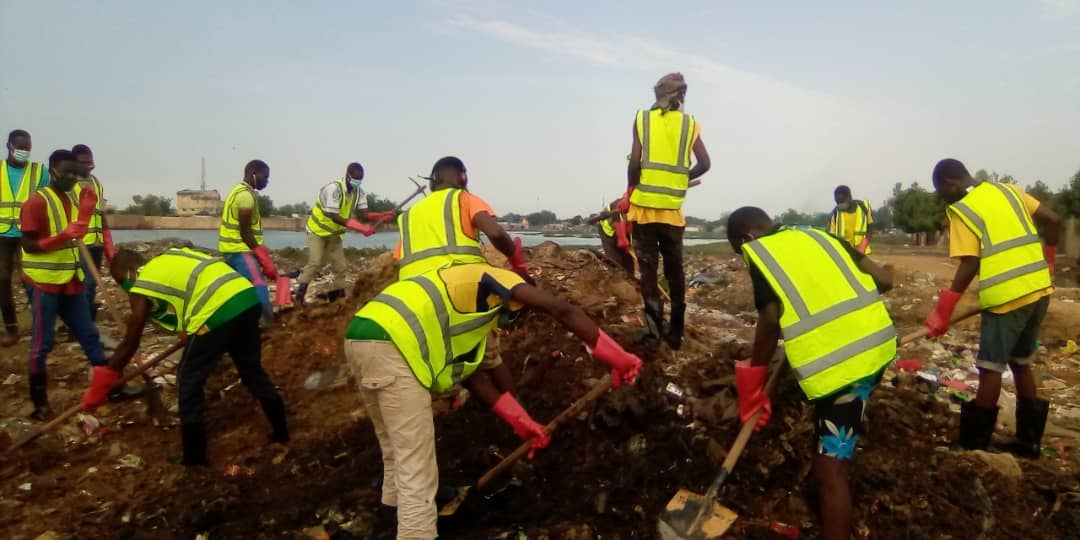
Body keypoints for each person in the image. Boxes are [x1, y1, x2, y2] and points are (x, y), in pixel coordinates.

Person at [346, 261, 643, 538]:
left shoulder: (467, 315)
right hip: (392, 341)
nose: (510, 323)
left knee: (394, 447)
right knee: (418, 468)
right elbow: (561, 309)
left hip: (362, 333)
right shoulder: (498, 278)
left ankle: (389, 516)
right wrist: (617, 357)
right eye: (518, 313)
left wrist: (521, 422)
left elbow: (474, 378)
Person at [726, 206, 896, 540]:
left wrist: (755, 380)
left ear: (746, 238)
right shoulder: (820, 235)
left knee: (830, 470)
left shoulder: (759, 252)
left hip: (846, 368)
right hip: (876, 347)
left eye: (739, 250)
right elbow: (884, 281)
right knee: (828, 443)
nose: (742, 257)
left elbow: (771, 319)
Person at [84, 247, 289, 465]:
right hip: (246, 298)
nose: (123, 287)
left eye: (119, 280)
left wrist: (105, 379)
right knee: (251, 370)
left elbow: (131, 341)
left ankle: (194, 458)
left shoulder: (141, 282)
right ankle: (281, 431)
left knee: (189, 378)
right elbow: (189, 292)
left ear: (128, 271)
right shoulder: (169, 259)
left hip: (218, 311)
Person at [925, 158, 1059, 457]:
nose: (943, 198)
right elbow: (1054, 220)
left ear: (950, 184)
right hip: (1039, 290)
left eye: (941, 191)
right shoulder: (1008, 190)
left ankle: (973, 445)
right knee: (1021, 362)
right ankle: (1029, 443)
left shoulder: (961, 210)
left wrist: (943, 310)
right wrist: (1049, 260)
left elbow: (970, 263)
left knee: (990, 369)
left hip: (1006, 299)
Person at [621, 72, 711, 350]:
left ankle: (652, 332)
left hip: (645, 211)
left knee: (648, 272)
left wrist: (631, 189)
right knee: (676, 272)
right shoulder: (690, 124)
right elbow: (705, 163)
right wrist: (681, 180)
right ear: (681, 96)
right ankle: (676, 333)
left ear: (657, 95)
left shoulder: (642, 119)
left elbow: (635, 163)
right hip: (672, 213)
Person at [19, 149, 108, 420]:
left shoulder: (71, 197)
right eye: (65, 172)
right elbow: (30, 245)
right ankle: (40, 403)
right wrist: (63, 236)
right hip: (43, 282)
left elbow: (78, 229)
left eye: (74, 173)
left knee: (89, 334)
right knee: (42, 343)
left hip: (70, 281)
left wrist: (84, 214)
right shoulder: (35, 203)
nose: (70, 177)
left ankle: (111, 386)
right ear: (52, 170)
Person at [393, 156, 528, 281]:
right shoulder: (463, 198)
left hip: (413, 286)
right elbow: (496, 233)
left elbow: (397, 259)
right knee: (521, 292)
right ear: (463, 177)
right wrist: (518, 265)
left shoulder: (409, 213)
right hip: (457, 282)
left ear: (430, 184)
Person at [294, 162, 395, 305]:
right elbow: (334, 216)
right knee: (315, 262)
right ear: (347, 176)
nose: (357, 182)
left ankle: (336, 297)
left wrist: (382, 215)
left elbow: (365, 214)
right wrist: (362, 229)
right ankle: (299, 295)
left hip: (335, 234)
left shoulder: (359, 192)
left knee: (340, 267)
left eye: (360, 180)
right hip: (317, 231)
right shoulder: (333, 190)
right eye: (355, 179)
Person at [1, 129, 50, 346]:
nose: (24, 151)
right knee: (1, 283)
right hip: (1, 235)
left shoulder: (40, 172)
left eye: (27, 147)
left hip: (28, 234)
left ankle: (42, 330)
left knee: (32, 281)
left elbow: (48, 201)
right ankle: (12, 330)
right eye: (20, 147)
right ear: (9, 146)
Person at [218, 160, 277, 323]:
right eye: (265, 177)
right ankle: (265, 325)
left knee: (239, 289)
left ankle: (237, 324)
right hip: (239, 250)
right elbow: (245, 233)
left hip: (231, 249)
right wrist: (263, 258)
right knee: (258, 285)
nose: (266, 181)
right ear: (253, 174)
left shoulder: (237, 191)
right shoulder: (245, 197)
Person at [71, 144, 116, 321]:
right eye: (84, 162)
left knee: (91, 284)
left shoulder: (96, 183)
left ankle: (84, 321)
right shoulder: (69, 185)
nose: (89, 165)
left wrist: (108, 243)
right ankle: (81, 323)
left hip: (95, 242)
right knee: (85, 283)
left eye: (91, 161)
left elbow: (100, 214)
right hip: (78, 244)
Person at [828, 185, 874, 254]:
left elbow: (870, 228)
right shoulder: (834, 214)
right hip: (844, 253)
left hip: (862, 252)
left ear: (849, 197)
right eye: (837, 203)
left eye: (841, 202)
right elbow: (832, 237)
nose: (839, 205)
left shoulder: (863, 208)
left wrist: (862, 246)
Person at [595, 198, 635, 275]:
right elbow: (617, 216)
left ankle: (630, 282)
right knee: (615, 261)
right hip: (608, 230)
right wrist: (622, 239)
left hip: (625, 230)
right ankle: (616, 279)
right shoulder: (624, 204)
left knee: (628, 260)